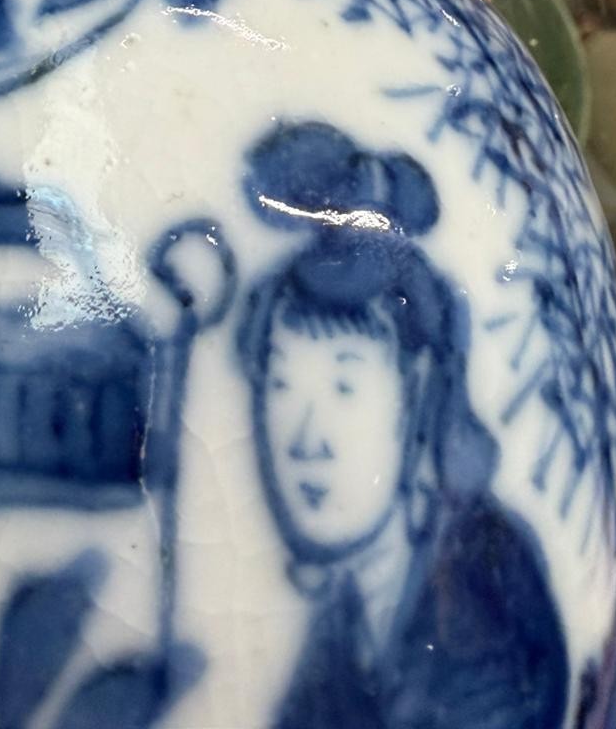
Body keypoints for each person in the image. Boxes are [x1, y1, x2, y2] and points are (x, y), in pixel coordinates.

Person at [238, 121, 569, 729]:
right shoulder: (341, 616)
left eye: (344, 387)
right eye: (281, 388)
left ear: (419, 395)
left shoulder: (486, 588)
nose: (306, 440)